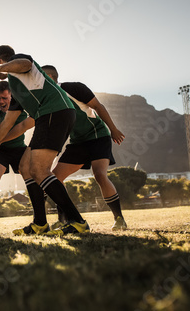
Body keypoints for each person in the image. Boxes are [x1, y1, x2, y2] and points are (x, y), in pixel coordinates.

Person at [0, 45, 89, 236]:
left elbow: (26, 63)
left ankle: (77, 221)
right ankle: (40, 223)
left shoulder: (19, 62)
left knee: (39, 169)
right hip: (49, 116)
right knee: (26, 167)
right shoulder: (16, 87)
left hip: (55, 112)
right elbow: (13, 125)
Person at [42, 65, 127, 230]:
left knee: (100, 175)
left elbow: (98, 106)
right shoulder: (49, 102)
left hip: (98, 137)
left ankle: (119, 219)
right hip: (77, 143)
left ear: (51, 78)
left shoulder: (73, 88)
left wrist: (113, 129)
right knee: (54, 178)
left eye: (43, 78)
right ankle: (63, 219)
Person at [0, 81, 33, 235]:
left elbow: (26, 125)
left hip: (19, 148)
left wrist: (1, 139)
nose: (2, 101)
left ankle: (40, 220)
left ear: (12, 95)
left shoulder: (22, 104)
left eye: (5, 98)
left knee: (36, 176)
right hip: (0, 149)